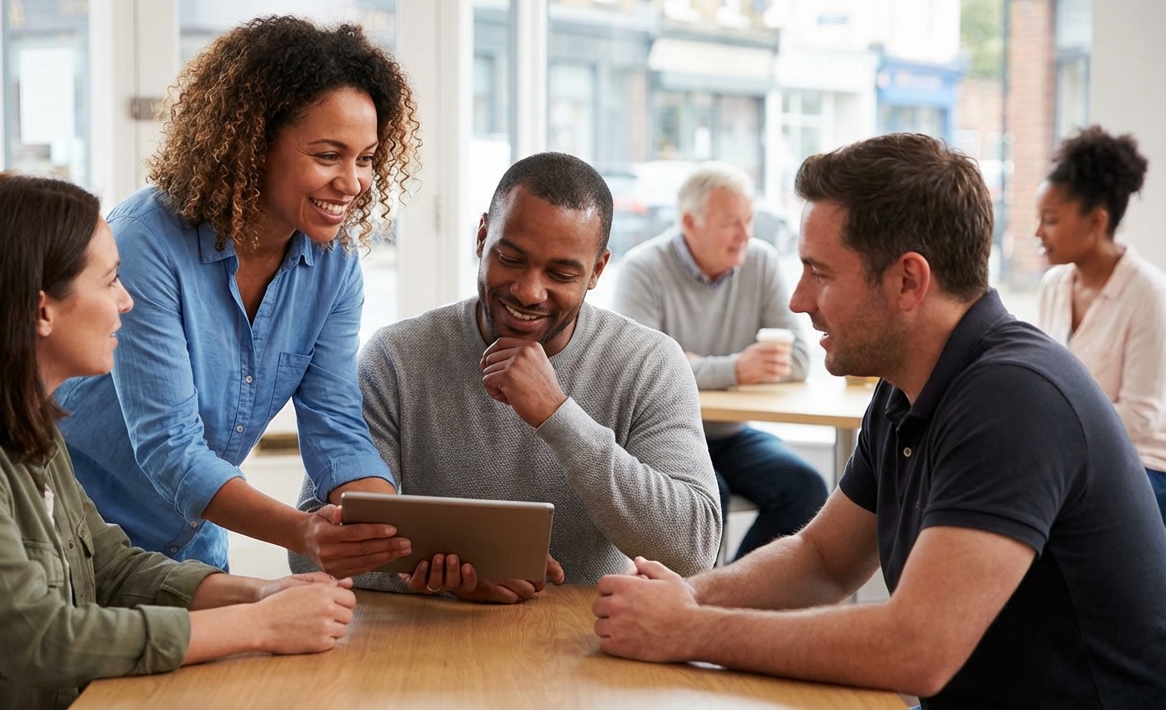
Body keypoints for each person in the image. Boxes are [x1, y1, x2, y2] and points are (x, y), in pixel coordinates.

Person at [593, 134, 1166, 709]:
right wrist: (690, 596)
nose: (797, 299)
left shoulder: (1014, 398)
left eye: (819, 272)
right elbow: (823, 559)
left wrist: (687, 629)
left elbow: (916, 648)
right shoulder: (904, 387)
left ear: (908, 281)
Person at [0, 173, 358, 709]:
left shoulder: (25, 423)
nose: (127, 301)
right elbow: (37, 638)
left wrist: (261, 596)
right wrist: (257, 626)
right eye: (110, 280)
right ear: (42, 309)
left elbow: (108, 569)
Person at [56, 16, 421, 574]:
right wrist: (304, 532)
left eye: (366, 158)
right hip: (78, 539)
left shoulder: (334, 267)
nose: (352, 182)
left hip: (190, 544)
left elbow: (338, 429)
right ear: (254, 146)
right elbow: (169, 446)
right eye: (328, 156)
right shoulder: (145, 243)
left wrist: (399, 539)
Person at [293, 152, 721, 602]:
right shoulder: (398, 357)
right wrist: (428, 576)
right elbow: (307, 548)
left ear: (597, 270)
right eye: (511, 259)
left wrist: (558, 416)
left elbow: (692, 550)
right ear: (482, 237)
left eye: (560, 273)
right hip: (432, 638)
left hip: (587, 639)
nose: (528, 291)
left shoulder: (649, 363)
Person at [612, 161, 826, 560]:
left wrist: (692, 364)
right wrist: (735, 369)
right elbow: (639, 373)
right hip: (663, 435)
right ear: (690, 223)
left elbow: (797, 358)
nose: (746, 233)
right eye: (732, 222)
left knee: (807, 487)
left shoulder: (759, 263)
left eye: (748, 220)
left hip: (729, 435)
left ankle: (737, 600)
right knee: (711, 498)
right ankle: (700, 609)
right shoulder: (643, 269)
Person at [1034, 125, 1166, 524]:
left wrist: (1059, 426)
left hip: (1143, 467)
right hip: (1072, 460)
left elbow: (1141, 417)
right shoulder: (1053, 286)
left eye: (1051, 220)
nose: (1038, 233)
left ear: (1096, 222)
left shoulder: (1149, 293)